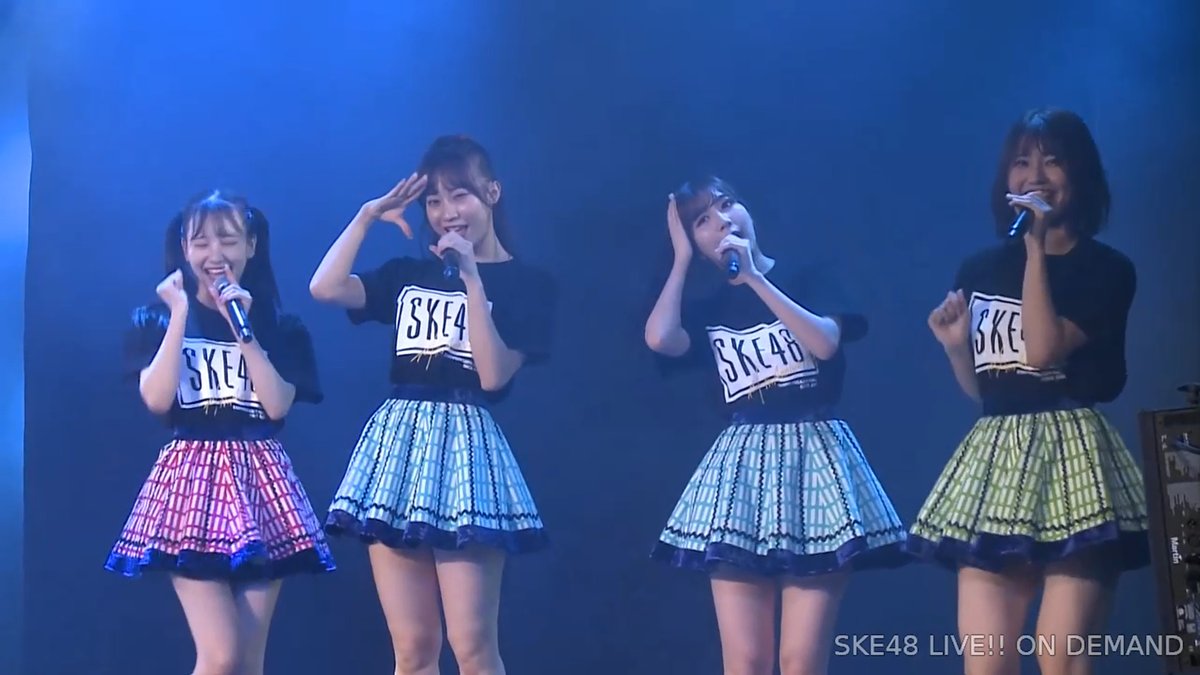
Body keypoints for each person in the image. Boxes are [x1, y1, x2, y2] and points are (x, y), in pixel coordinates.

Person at [906, 107, 1148, 675]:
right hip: (997, 462)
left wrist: (1036, 251)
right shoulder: (980, 268)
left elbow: (1042, 351)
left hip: (1073, 459)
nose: (1035, 175)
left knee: (1058, 655)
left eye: (1052, 161)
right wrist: (956, 348)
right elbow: (990, 391)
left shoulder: (1106, 269)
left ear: (1080, 173)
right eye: (1021, 162)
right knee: (985, 660)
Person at [309, 134, 556, 675]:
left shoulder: (529, 285)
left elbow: (493, 376)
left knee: (472, 646)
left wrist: (471, 277)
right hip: (399, 450)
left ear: (492, 192)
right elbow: (324, 288)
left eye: (459, 195)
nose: (447, 213)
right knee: (413, 648)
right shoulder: (408, 273)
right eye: (434, 201)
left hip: (467, 449)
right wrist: (366, 217)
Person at [644, 176, 908, 675]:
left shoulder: (809, 276)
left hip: (815, 460)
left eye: (726, 204)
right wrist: (680, 260)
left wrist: (755, 280)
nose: (721, 220)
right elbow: (659, 338)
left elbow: (824, 343)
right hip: (742, 473)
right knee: (746, 661)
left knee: (799, 661)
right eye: (702, 220)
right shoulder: (707, 310)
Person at [106, 190, 334, 675]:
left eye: (228, 240)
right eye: (201, 242)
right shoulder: (156, 320)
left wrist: (243, 329)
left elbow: (277, 405)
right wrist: (179, 315)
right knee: (221, 655)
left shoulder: (279, 326)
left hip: (261, 484)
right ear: (184, 249)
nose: (215, 254)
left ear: (251, 245)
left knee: (248, 662)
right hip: (191, 488)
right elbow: (157, 399)